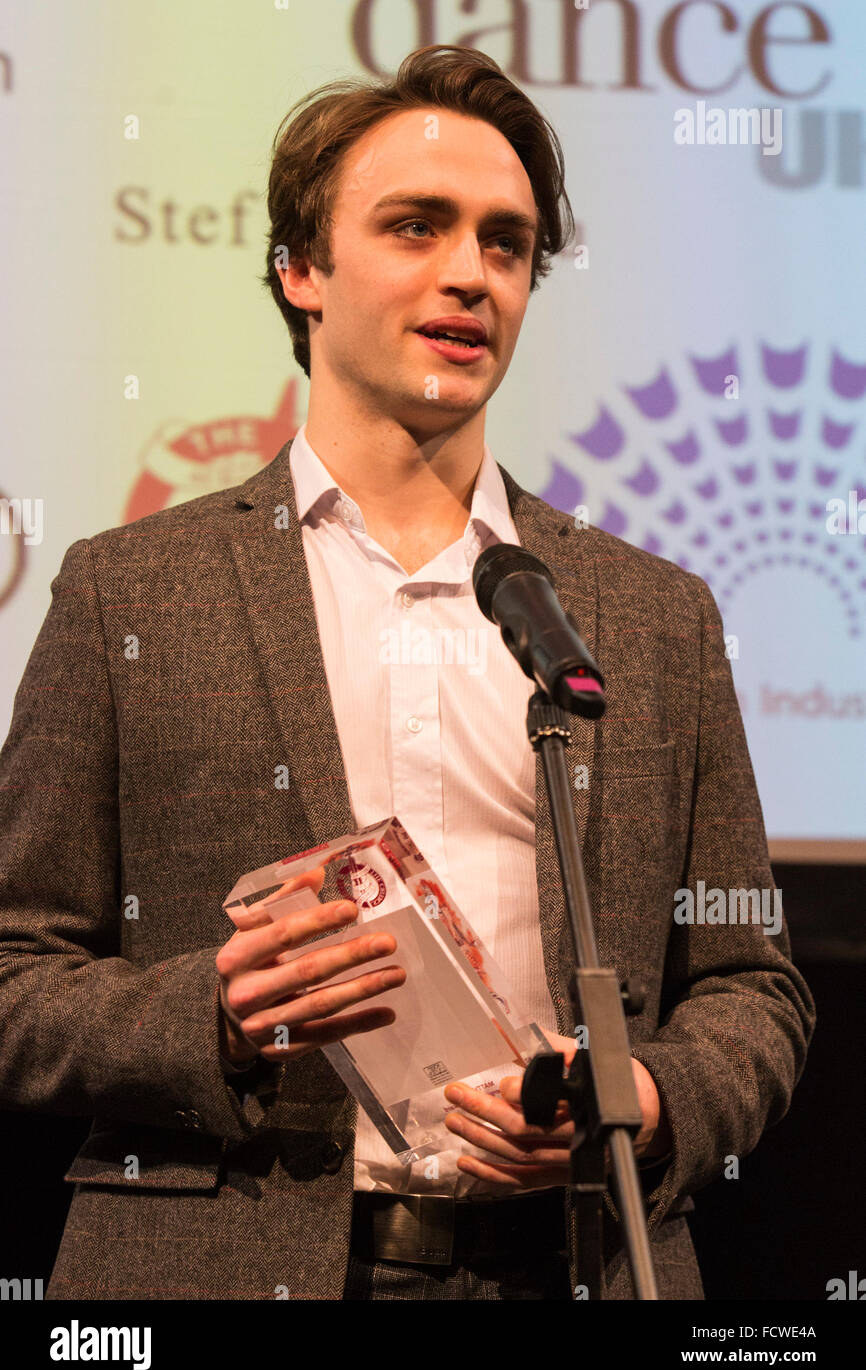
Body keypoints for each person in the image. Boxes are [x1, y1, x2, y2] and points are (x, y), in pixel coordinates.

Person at [0, 44, 814, 1302]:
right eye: (415, 226)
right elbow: (15, 977)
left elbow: (748, 982)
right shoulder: (129, 591)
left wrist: (636, 1098)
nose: (467, 273)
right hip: (213, 1268)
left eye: (503, 242)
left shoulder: (653, 618)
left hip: (567, 1265)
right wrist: (212, 1016)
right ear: (301, 269)